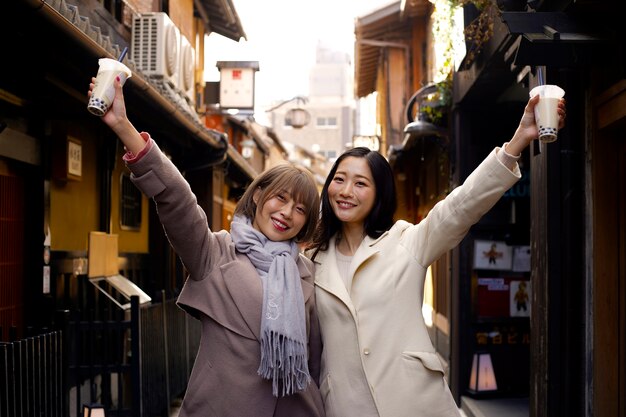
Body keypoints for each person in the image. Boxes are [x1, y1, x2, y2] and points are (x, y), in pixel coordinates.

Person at [306, 95, 566, 417]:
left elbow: (459, 208)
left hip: (415, 403)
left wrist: (518, 141)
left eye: (361, 183)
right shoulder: (312, 262)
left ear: (379, 196)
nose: (345, 191)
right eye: (339, 179)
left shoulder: (404, 242)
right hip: (345, 406)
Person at [88, 77, 325, 417]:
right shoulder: (216, 253)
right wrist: (123, 125)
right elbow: (177, 200)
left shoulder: (306, 274)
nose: (287, 213)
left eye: (301, 209)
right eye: (281, 198)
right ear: (258, 196)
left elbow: (314, 360)